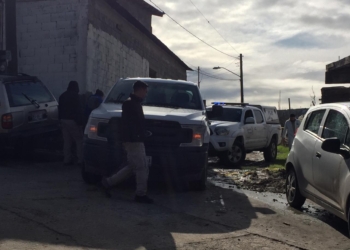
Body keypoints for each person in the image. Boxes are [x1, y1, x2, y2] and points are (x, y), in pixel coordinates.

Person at [101, 81, 153, 204]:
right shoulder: (130, 104)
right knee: (142, 167)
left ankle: (108, 182)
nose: (146, 94)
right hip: (134, 141)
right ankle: (140, 194)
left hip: (134, 140)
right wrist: (138, 135)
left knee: (132, 166)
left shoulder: (133, 103)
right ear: (139, 90)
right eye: (145, 91)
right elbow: (129, 125)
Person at [58, 81, 84, 166]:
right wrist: (80, 123)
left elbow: (60, 109)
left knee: (67, 141)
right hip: (73, 121)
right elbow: (79, 110)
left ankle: (67, 159)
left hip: (63, 120)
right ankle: (80, 160)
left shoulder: (62, 96)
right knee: (79, 140)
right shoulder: (77, 97)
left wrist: (59, 120)